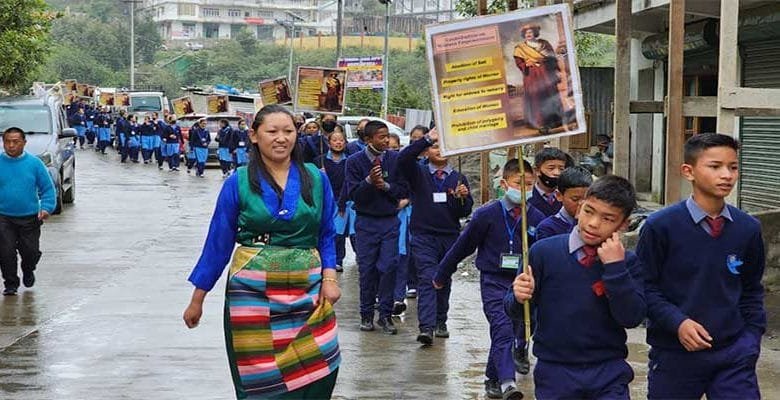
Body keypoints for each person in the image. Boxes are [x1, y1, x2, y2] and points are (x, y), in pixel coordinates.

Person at [183, 105, 341, 399]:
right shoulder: (238, 181)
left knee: (321, 366)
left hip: (309, 289)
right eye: (272, 131)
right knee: (261, 379)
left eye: (288, 131)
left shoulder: (316, 179)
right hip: (252, 295)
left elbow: (327, 233)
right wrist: (197, 300)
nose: (281, 138)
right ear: (254, 136)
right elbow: (218, 243)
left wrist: (330, 279)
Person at [636, 133, 766, 399]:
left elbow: (751, 289)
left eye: (733, 167)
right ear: (689, 171)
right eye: (715, 166)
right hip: (674, 355)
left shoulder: (748, 228)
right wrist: (678, 322)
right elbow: (644, 287)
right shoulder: (660, 227)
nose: (727, 175)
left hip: (734, 354)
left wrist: (751, 339)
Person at [505, 175, 644, 398]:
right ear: (579, 208)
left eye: (608, 218)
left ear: (624, 224)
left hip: (608, 370)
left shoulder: (627, 262)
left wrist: (615, 268)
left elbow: (631, 317)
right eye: (589, 211)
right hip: (555, 370)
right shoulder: (542, 253)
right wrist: (518, 296)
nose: (593, 223)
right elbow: (519, 313)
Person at [433, 158, 544, 400]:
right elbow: (462, 247)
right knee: (502, 328)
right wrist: (442, 274)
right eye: (518, 183)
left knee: (520, 329)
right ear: (504, 184)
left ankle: (492, 377)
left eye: (529, 184)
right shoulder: (487, 215)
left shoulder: (536, 217)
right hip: (494, 281)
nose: (523, 189)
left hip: (523, 284)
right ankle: (507, 383)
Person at [398, 128, 473, 345]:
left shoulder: (459, 177)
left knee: (443, 279)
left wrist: (462, 198)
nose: (439, 151)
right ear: (426, 151)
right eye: (434, 146)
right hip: (423, 235)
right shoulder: (418, 172)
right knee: (427, 279)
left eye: (443, 146)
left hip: (449, 237)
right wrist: (426, 138)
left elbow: (465, 212)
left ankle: (441, 320)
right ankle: (427, 327)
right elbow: (403, 158)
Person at [345, 120, 408, 335]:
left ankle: (385, 315)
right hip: (365, 222)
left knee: (389, 266)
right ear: (368, 139)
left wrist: (387, 186)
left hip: (390, 220)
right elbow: (353, 194)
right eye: (381, 137)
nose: (386, 140)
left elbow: (403, 189)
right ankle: (366, 315)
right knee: (367, 269)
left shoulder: (395, 159)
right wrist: (369, 182)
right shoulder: (354, 162)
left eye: (387, 136)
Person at [0, 127, 56, 296]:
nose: (11, 146)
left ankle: (28, 268)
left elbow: (47, 188)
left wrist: (46, 208)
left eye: (15, 142)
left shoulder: (34, 164)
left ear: (24, 142)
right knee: (5, 251)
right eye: (7, 142)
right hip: (3, 217)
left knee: (30, 251)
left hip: (30, 217)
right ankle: (10, 283)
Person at [513, 23, 564, 131]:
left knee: (549, 96)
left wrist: (548, 64)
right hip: (531, 77)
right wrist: (526, 64)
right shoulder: (520, 48)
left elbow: (552, 58)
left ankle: (553, 121)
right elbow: (519, 63)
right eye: (526, 33)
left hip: (546, 75)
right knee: (535, 98)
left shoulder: (544, 44)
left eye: (530, 32)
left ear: (535, 33)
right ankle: (537, 122)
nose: (528, 34)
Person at [314, 130, 351, 272]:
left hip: (342, 202)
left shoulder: (349, 161)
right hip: (324, 201)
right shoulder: (320, 160)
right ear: (328, 143)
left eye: (341, 140)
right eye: (334, 140)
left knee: (338, 234)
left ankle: (338, 260)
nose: (338, 143)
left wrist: (342, 202)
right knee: (322, 230)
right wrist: (319, 174)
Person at [535, 166, 593, 240]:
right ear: (559, 195)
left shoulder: (594, 223)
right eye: (575, 199)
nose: (581, 204)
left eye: (586, 199)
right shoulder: (547, 228)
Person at [529, 147, 569, 217]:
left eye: (561, 169)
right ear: (537, 170)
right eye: (551, 168)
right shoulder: (526, 198)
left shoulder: (567, 198)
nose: (557, 173)